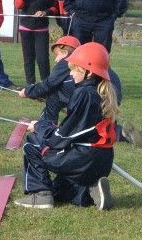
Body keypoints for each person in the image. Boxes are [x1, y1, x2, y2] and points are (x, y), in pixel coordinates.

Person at [16, 42, 118, 210]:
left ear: (89, 72)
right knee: (60, 193)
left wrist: (39, 127)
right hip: (102, 160)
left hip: (85, 159)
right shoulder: (101, 93)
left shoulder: (83, 94)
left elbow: (62, 138)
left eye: (74, 69)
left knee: (32, 143)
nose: (70, 74)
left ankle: (40, 195)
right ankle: (92, 189)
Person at [18, 35, 80, 128]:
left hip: (78, 98)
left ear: (65, 53)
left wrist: (28, 91)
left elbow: (49, 84)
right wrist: (40, 94)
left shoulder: (66, 62)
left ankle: (44, 127)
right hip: (81, 97)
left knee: (53, 96)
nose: (55, 60)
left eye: (57, 55)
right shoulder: (79, 62)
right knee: (53, 94)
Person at [14, 0, 58, 86]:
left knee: (42, 59)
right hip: (25, 30)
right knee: (28, 59)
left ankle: (46, 85)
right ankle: (30, 85)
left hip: (41, 30)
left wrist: (45, 12)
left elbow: (55, 8)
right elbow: (18, 5)